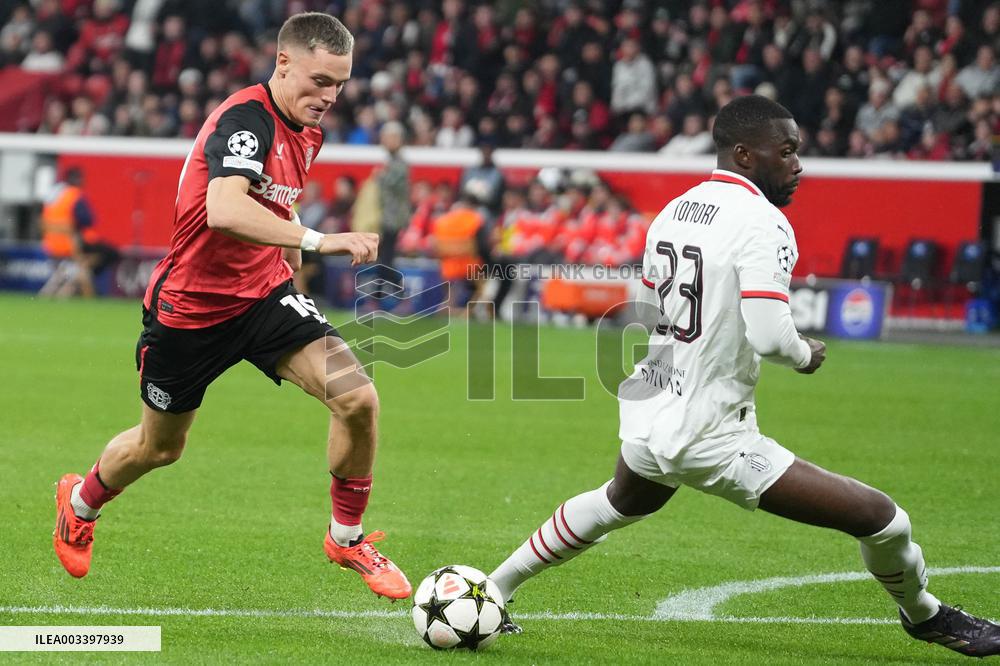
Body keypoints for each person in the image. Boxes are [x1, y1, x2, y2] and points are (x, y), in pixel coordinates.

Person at [489, 95, 1000, 657]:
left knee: (621, 501)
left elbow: (651, 309)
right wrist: (805, 354)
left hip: (652, 403)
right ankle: (925, 615)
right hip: (711, 433)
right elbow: (769, 335)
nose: (798, 165)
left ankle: (494, 588)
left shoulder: (674, 211)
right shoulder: (764, 223)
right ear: (744, 154)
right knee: (883, 520)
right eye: (787, 151)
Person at [52, 12, 412, 602]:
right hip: (190, 310)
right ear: (284, 63)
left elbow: (279, 204)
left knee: (357, 398)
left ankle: (346, 538)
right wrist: (321, 241)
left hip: (264, 297)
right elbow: (225, 209)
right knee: (160, 448)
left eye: (341, 84)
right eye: (321, 80)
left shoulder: (308, 129)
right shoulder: (246, 121)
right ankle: (80, 500)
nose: (330, 96)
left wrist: (293, 271)